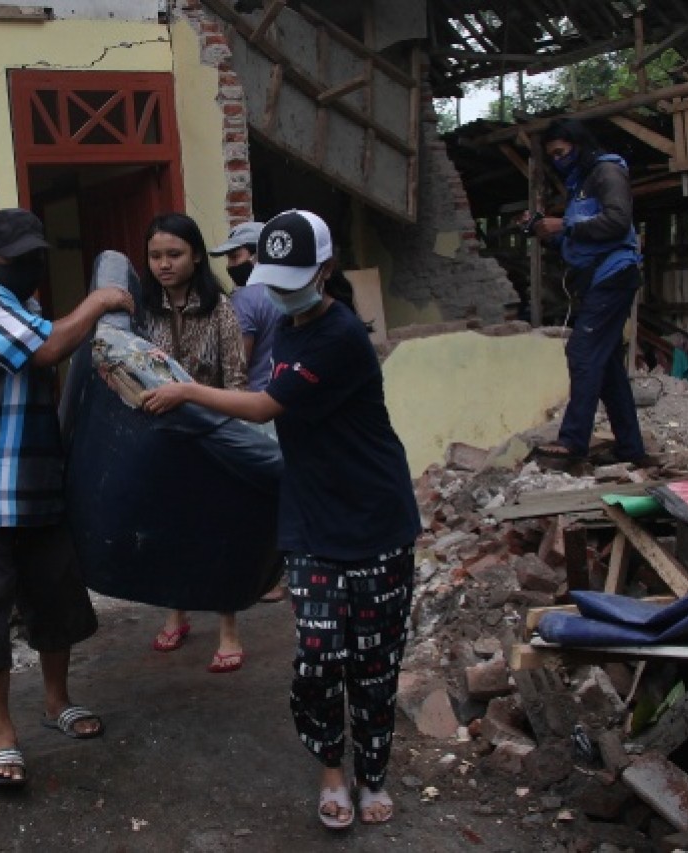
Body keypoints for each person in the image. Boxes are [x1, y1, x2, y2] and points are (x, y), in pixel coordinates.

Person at [140, 210, 421, 830]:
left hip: (375, 517)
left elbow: (265, 405)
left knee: (374, 663)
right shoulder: (293, 325)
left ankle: (372, 773)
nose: (282, 286)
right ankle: (329, 772)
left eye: (297, 275)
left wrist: (185, 389)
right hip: (311, 516)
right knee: (319, 657)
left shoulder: (338, 336)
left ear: (326, 271)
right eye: (275, 275)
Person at [0, 208, 134, 788]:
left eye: (37, 254)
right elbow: (44, 352)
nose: (32, 266)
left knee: (56, 599)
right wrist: (98, 303)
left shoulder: (29, 308)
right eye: (20, 258)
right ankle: (1, 736)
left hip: (33, 485)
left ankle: (56, 702)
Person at [137, 212, 250, 673]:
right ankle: (176, 611)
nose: (164, 264)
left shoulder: (220, 308)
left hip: (212, 436)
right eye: (155, 256)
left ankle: (228, 629)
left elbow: (237, 380)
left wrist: (220, 423)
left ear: (197, 256)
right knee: (170, 530)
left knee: (217, 532)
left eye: (174, 254)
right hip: (162, 439)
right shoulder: (142, 310)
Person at [526, 118, 648, 469]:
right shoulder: (580, 183)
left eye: (561, 152)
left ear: (578, 145)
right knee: (606, 364)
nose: (558, 160)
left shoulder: (606, 172)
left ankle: (573, 441)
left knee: (581, 352)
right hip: (597, 278)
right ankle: (631, 449)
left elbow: (617, 220)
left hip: (614, 274)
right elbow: (583, 236)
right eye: (553, 156)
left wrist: (562, 224)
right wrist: (546, 232)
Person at [210, 221, 288, 604]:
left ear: (258, 254)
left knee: (255, 501)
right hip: (288, 406)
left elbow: (237, 364)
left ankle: (268, 580)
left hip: (255, 410)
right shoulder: (288, 293)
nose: (229, 265)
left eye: (236, 255)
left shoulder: (244, 301)